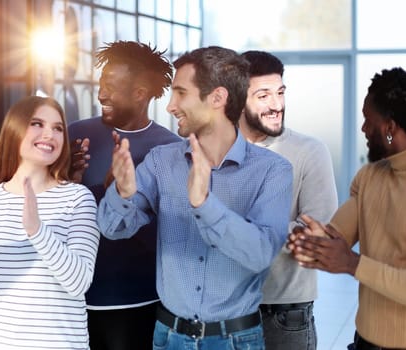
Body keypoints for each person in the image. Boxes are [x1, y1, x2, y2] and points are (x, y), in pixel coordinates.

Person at [97, 45, 293, 350]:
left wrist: (204, 204)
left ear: (217, 98)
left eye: (181, 93)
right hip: (168, 337)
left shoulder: (273, 171)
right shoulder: (161, 161)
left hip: (236, 341)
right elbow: (111, 227)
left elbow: (260, 254)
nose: (170, 106)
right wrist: (122, 193)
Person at [0, 96, 100, 349]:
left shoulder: (77, 198)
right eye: (37, 124)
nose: (49, 134)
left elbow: (78, 283)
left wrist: (37, 231)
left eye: (58, 128)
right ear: (14, 130)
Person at [67, 40, 181, 350]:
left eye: (113, 87)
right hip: (69, 302)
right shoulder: (73, 135)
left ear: (140, 94)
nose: (102, 94)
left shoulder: (169, 149)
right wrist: (66, 180)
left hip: (136, 301)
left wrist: (117, 194)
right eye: (102, 85)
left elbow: (170, 230)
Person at [289, 67, 406, 350]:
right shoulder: (369, 177)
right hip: (364, 341)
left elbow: (348, 260)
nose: (363, 129)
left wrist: (352, 263)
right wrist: (315, 242)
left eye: (369, 121)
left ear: (390, 128)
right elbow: (336, 237)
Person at [238, 50, 339, 350]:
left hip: (284, 314)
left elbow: (318, 232)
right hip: (225, 311)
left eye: (280, 92)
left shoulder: (310, 151)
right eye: (264, 95)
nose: (277, 105)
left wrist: (235, 229)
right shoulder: (216, 152)